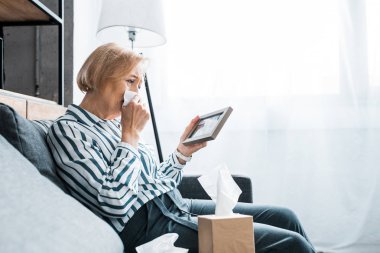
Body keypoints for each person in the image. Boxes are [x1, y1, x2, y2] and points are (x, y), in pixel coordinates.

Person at [47, 43, 316, 253]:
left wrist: (181, 153)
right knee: (292, 245)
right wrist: (130, 135)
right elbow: (116, 202)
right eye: (130, 81)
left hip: (173, 205)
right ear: (98, 75)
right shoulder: (68, 130)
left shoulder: (116, 125)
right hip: (147, 224)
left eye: (138, 86)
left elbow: (157, 183)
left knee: (285, 217)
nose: (135, 94)